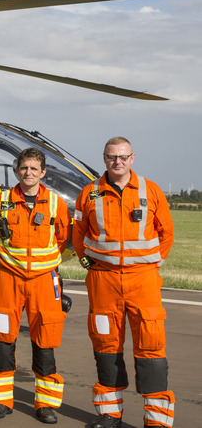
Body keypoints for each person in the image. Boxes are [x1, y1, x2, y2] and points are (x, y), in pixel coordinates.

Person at [73, 137, 174, 428]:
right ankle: (109, 414)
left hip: (142, 280)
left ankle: (156, 420)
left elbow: (166, 233)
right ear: (104, 159)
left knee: (151, 346)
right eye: (111, 157)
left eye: (123, 157)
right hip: (103, 280)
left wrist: (153, 265)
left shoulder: (151, 190)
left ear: (132, 158)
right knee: (106, 345)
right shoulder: (89, 193)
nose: (117, 162)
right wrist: (86, 262)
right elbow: (78, 232)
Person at [0, 147, 70, 424]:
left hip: (45, 280)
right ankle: (0, 401)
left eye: (34, 169)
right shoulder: (1, 200)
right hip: (8, 278)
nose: (28, 173)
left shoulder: (57, 204)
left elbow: (62, 238)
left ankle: (45, 405)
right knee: (1, 338)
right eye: (24, 168)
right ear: (16, 170)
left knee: (45, 340)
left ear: (43, 172)